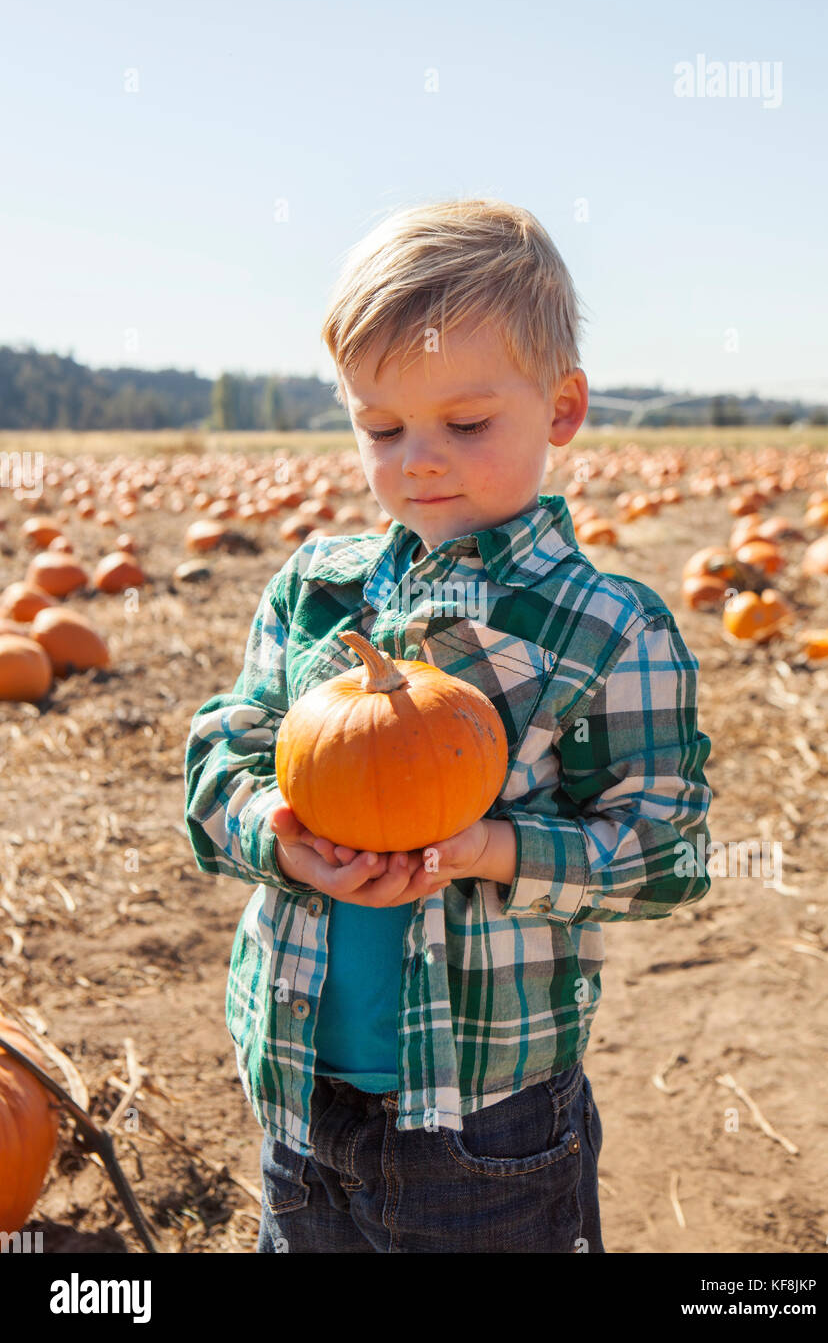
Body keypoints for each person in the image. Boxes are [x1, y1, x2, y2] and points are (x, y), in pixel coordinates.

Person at [184, 197, 713, 1254]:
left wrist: (490, 848)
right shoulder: (317, 591)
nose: (417, 459)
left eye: (464, 425)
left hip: (489, 1126)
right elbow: (221, 759)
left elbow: (668, 852)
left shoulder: (607, 629)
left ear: (561, 409)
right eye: (381, 428)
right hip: (296, 1096)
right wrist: (274, 836)